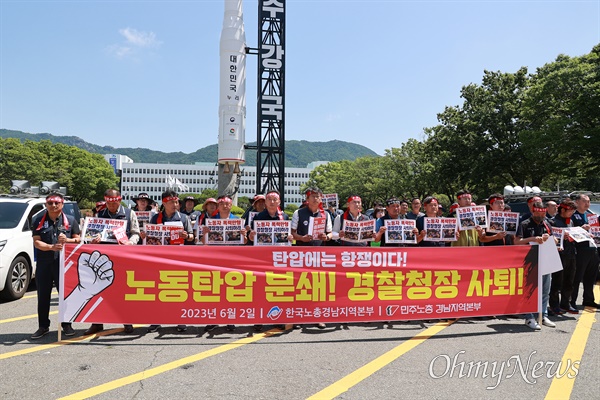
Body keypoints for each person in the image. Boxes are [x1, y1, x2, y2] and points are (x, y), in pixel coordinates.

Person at [84, 188, 140, 336]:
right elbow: (91, 235)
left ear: (119, 200)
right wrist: (93, 240)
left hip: (123, 258)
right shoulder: (100, 214)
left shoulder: (129, 213)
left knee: (123, 291)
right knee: (99, 290)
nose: (112, 206)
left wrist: (130, 243)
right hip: (103, 258)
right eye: (109, 203)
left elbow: (136, 233)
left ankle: (127, 321)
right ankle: (97, 322)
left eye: (114, 203)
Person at [30, 193, 81, 339]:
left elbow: (78, 239)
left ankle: (67, 324)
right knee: (43, 296)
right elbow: (36, 242)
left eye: (56, 203)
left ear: (62, 204)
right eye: (50, 203)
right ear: (46, 204)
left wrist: (68, 240)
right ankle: (43, 326)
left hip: (64, 264)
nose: (53, 205)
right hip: (44, 263)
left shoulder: (70, 220)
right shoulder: (38, 220)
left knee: (65, 296)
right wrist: (51, 247)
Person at [147, 190, 195, 333]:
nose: (175, 205)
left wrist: (187, 236)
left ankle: (180, 319)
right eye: (171, 202)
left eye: (176, 202)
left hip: (178, 259)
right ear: (164, 203)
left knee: (179, 290)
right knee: (158, 290)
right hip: (159, 260)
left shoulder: (184, 218)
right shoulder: (156, 218)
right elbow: (150, 237)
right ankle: (156, 320)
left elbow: (193, 237)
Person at [202, 195, 248, 332]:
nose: (224, 206)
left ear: (231, 205)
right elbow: (204, 243)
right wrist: (205, 234)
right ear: (218, 206)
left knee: (230, 291)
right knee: (215, 291)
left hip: (232, 260)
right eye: (221, 204)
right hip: (215, 260)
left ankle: (230, 319)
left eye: (227, 204)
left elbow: (244, 242)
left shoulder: (237, 220)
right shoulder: (211, 221)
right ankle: (214, 319)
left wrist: (244, 235)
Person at [247, 190, 291, 332]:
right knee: (260, 288)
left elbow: (289, 237)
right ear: (265, 203)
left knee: (278, 288)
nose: (272, 202)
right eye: (269, 199)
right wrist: (252, 236)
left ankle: (277, 317)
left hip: (279, 258)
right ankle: (258, 318)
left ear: (279, 202)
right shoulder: (258, 217)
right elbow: (251, 238)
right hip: (262, 258)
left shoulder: (284, 216)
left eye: (275, 199)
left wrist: (290, 238)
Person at [290, 187, 333, 329]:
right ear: (307, 199)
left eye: (318, 196)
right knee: (300, 286)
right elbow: (292, 233)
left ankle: (318, 316)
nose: (315, 199)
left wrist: (326, 237)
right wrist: (301, 237)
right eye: (313, 196)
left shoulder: (325, 214)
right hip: (301, 253)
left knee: (318, 286)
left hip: (319, 253)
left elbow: (330, 233)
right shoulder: (298, 213)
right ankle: (298, 316)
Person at [514, 201, 556, 330]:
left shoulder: (547, 224)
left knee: (545, 290)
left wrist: (550, 238)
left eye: (544, 213)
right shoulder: (525, 224)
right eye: (539, 213)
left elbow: (555, 239)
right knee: (530, 291)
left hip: (545, 260)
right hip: (530, 262)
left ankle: (543, 315)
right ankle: (529, 317)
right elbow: (517, 242)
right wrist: (532, 239)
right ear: (533, 211)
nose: (542, 216)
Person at [549, 199, 579, 315]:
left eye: (573, 211)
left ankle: (566, 303)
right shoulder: (553, 221)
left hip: (571, 254)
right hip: (559, 254)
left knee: (569, 281)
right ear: (562, 209)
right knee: (557, 281)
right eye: (570, 211)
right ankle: (554, 305)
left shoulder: (570, 221)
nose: (571, 213)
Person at [570, 194, 600, 309]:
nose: (587, 204)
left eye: (588, 201)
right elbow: (569, 230)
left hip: (593, 248)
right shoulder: (573, 215)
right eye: (585, 201)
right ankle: (571, 301)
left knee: (591, 277)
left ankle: (588, 299)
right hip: (581, 249)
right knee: (577, 277)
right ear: (577, 202)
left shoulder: (591, 216)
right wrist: (582, 228)